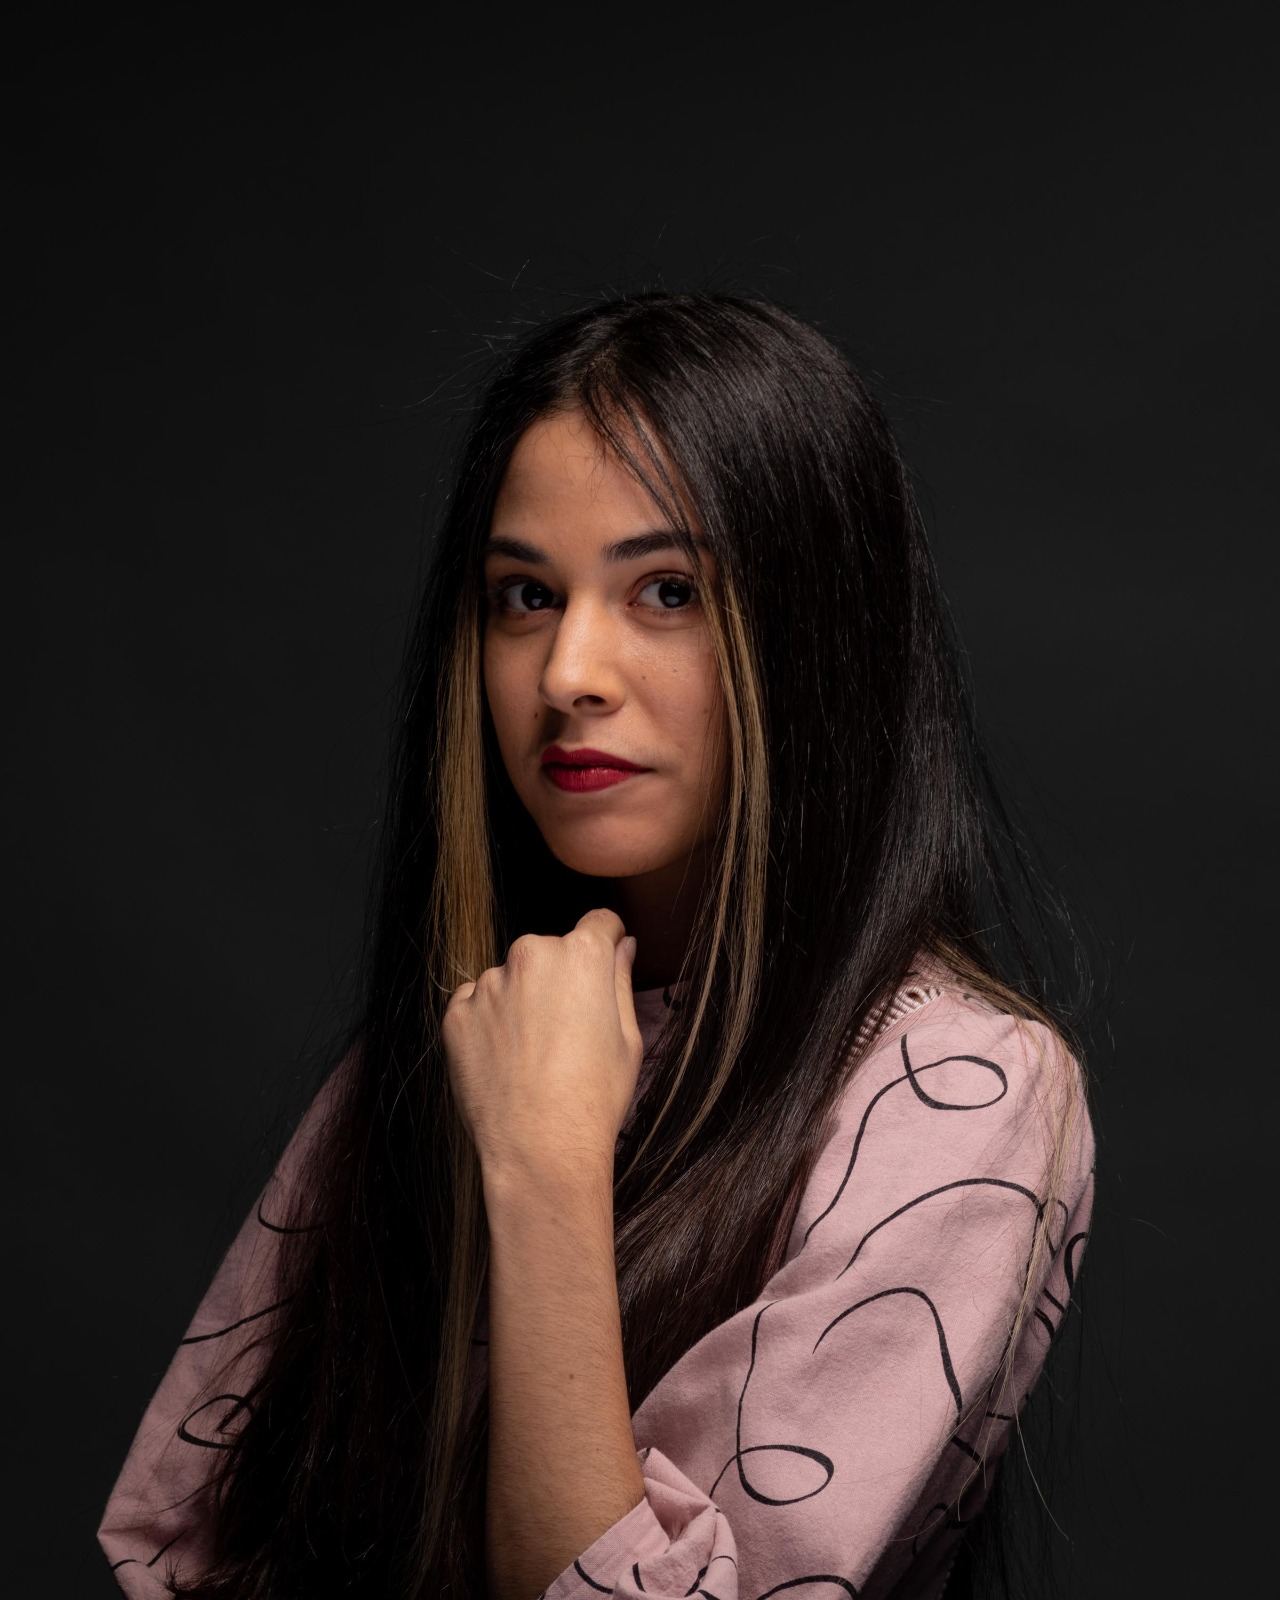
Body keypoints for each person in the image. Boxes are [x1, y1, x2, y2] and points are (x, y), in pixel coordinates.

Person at [98, 291, 1096, 1600]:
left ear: (817, 636)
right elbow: (178, 1540)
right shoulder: (495, 1021)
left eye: (666, 591)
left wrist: (546, 1172)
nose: (569, 668)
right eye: (523, 595)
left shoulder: (962, 1088)